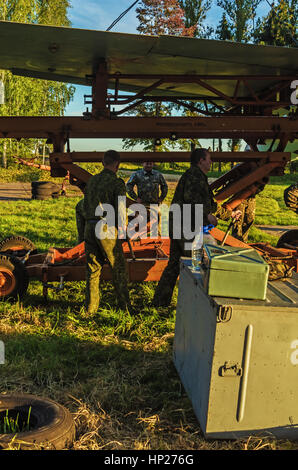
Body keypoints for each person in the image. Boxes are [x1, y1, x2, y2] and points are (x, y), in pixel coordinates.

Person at [152, 148, 241, 308]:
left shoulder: (196, 176)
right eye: (209, 159)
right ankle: (194, 305)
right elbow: (192, 202)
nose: (211, 162)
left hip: (180, 225)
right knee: (196, 265)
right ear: (201, 161)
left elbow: (209, 204)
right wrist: (206, 217)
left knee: (173, 265)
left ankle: (159, 303)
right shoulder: (195, 176)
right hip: (186, 227)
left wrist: (229, 214)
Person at [83, 150, 131, 314]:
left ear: (103, 163)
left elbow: (83, 206)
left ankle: (90, 309)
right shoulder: (117, 183)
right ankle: (125, 308)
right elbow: (121, 208)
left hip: (89, 226)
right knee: (118, 268)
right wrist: (123, 231)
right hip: (106, 228)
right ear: (117, 165)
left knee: (93, 270)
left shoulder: (91, 181)